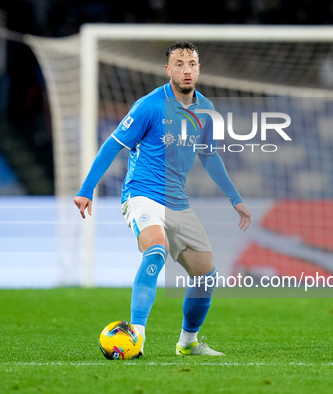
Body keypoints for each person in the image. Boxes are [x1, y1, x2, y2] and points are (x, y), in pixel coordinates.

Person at [74, 41, 252, 356]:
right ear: (168, 70)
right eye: (179, 64)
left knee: (206, 276)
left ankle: (188, 343)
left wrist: (234, 197)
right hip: (142, 194)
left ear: (199, 68)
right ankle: (136, 335)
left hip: (178, 202)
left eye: (192, 63)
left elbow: (209, 156)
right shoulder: (150, 105)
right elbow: (114, 144)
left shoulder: (205, 109)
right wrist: (87, 188)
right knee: (156, 250)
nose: (186, 69)